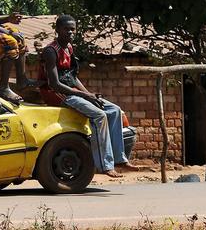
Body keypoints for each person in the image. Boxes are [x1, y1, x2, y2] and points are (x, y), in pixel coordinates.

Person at [39, 14, 138, 177]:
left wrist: (88, 94)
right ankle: (105, 166)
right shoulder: (51, 51)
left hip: (71, 91)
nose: (70, 33)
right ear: (57, 30)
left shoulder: (69, 48)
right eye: (66, 29)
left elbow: (72, 77)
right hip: (56, 94)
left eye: (73, 29)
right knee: (99, 116)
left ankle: (120, 159)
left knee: (114, 110)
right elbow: (54, 84)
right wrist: (85, 96)